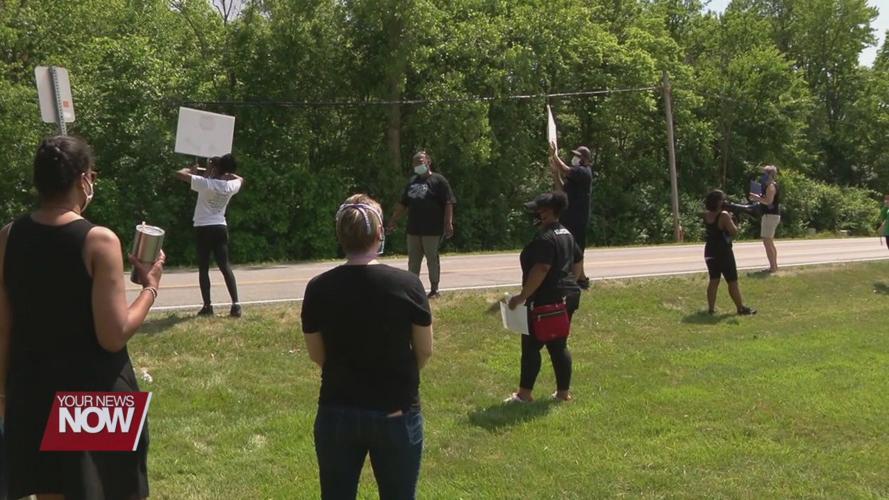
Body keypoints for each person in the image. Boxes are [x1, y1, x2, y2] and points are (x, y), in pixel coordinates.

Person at [0, 135, 165, 499]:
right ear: (83, 179)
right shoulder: (99, 241)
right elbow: (113, 334)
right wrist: (150, 289)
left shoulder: (8, 236)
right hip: (94, 392)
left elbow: (3, 326)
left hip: (32, 388)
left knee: (48, 492)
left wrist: (3, 391)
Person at [302, 194, 433, 500]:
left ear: (340, 236)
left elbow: (317, 354)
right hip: (396, 410)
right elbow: (424, 351)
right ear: (379, 234)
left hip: (337, 410)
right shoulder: (407, 285)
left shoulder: (318, 287)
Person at [506, 191, 582, 403]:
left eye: (536, 211)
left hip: (544, 300)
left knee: (531, 345)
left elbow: (541, 268)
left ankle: (524, 394)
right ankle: (563, 394)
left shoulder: (545, 238)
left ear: (547, 213)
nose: (533, 215)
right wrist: (568, 283)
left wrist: (522, 296)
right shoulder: (567, 234)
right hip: (567, 297)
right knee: (558, 344)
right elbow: (578, 261)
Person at [175, 154, 244, 317]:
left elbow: (179, 174)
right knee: (225, 266)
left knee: (204, 268)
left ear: (215, 168)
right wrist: (223, 171)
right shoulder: (230, 186)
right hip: (220, 226)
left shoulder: (205, 184)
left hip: (203, 227)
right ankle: (236, 305)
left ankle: (208, 306)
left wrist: (193, 170)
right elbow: (241, 179)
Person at [386, 151, 456, 298]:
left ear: (428, 162)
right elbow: (402, 204)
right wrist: (393, 220)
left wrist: (448, 223)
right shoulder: (412, 182)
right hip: (413, 229)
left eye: (420, 161)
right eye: (415, 162)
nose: (418, 165)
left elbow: (448, 202)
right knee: (413, 261)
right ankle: (413, 290)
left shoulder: (439, 181)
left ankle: (434, 289)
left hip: (432, 230)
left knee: (432, 259)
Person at [703, 190, 756, 315]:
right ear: (719, 202)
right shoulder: (724, 215)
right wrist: (736, 220)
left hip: (709, 250)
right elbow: (733, 232)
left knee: (714, 280)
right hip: (723, 251)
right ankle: (740, 308)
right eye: (723, 200)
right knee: (732, 281)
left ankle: (711, 309)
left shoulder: (706, 215)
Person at [549, 145, 593, 289]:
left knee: (576, 250)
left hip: (578, 218)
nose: (575, 158)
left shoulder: (584, 172)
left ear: (585, 160)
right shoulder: (575, 177)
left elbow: (566, 169)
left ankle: (573, 283)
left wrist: (554, 155)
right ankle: (582, 280)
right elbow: (561, 189)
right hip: (568, 216)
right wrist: (556, 175)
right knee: (571, 248)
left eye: (578, 156)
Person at [749, 164, 781, 273]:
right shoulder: (769, 186)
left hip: (770, 216)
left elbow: (768, 202)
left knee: (767, 242)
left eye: (765, 174)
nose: (763, 176)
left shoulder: (771, 186)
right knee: (769, 241)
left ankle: (773, 267)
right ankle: (774, 266)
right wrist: (758, 197)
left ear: (770, 175)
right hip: (770, 216)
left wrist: (756, 198)